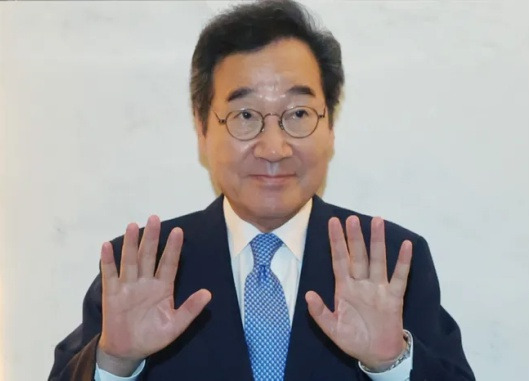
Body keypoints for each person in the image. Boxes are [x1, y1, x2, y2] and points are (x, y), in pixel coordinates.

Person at [49, 1, 475, 380]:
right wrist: (115, 366)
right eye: (246, 115)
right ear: (202, 130)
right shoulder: (141, 266)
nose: (274, 148)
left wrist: (392, 365)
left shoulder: (391, 261)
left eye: (299, 113)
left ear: (329, 127)